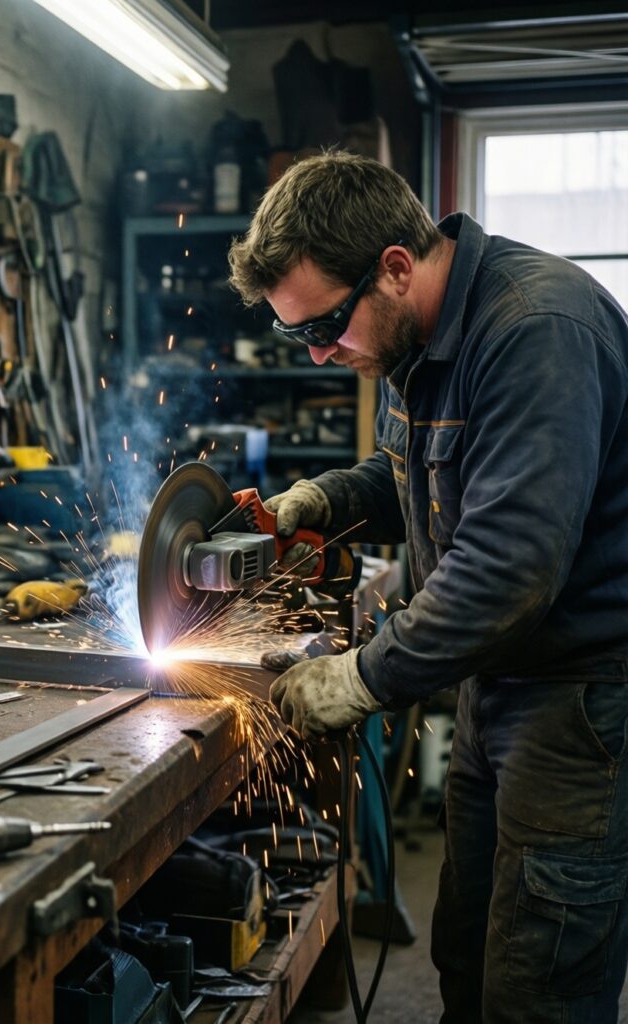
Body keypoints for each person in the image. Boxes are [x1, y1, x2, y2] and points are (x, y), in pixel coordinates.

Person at [227, 151, 628, 1023]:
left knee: (538, 986)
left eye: (325, 326)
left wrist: (364, 675)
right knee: (469, 954)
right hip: (497, 685)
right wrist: (325, 499)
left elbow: (508, 566)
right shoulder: (415, 339)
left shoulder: (536, 331)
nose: (322, 353)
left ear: (396, 267)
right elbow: (418, 470)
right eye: (299, 337)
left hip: (583, 705)